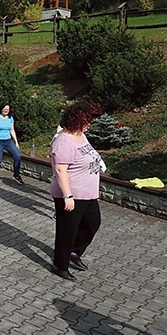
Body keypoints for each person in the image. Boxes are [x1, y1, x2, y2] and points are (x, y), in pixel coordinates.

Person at [50, 103, 103, 281]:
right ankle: (60, 265)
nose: (88, 124)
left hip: (88, 194)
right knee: (67, 231)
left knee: (93, 223)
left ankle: (74, 252)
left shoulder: (80, 135)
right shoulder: (63, 141)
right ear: (75, 120)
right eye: (85, 121)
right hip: (71, 194)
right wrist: (67, 196)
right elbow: (60, 170)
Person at [0, 104, 23, 185]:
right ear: (1, 109)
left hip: (8, 141)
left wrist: (16, 141)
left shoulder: (10, 118)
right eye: (5, 109)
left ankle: (16, 175)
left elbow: (12, 130)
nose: (6, 110)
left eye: (8, 109)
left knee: (17, 156)